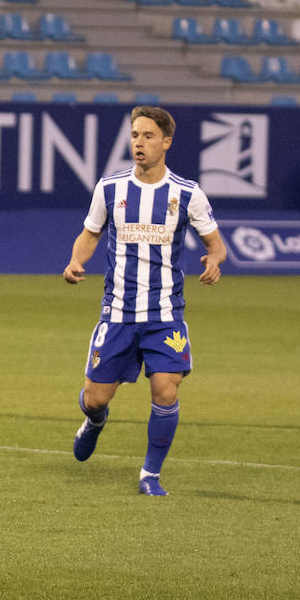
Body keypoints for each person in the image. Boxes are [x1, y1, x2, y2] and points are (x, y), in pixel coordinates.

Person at [63, 106, 226, 496]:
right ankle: (95, 420)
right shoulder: (110, 188)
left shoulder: (187, 194)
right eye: (135, 135)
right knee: (95, 398)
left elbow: (216, 245)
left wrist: (214, 261)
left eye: (148, 136)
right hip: (118, 313)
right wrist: (75, 261)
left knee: (166, 391)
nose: (139, 142)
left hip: (165, 315)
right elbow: (90, 233)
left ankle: (150, 474)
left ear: (166, 142)